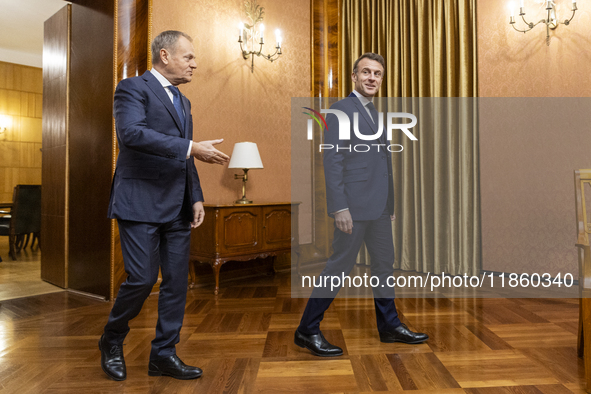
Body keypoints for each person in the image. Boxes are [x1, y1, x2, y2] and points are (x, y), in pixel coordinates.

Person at [99, 30, 229, 381]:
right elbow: (131, 134)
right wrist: (191, 147)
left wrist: (196, 195)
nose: (195, 64)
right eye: (189, 57)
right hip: (139, 201)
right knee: (142, 279)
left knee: (175, 283)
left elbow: (186, 154)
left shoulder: (183, 102)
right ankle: (112, 338)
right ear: (165, 56)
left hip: (177, 204)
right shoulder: (132, 88)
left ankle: (164, 354)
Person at [295, 53, 428, 357]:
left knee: (383, 266)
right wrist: (339, 208)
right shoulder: (341, 110)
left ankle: (389, 326)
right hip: (353, 208)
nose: (372, 78)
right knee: (338, 268)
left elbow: (383, 163)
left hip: (379, 207)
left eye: (377, 74)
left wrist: (389, 203)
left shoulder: (374, 113)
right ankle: (307, 330)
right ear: (354, 77)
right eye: (366, 72)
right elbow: (332, 161)